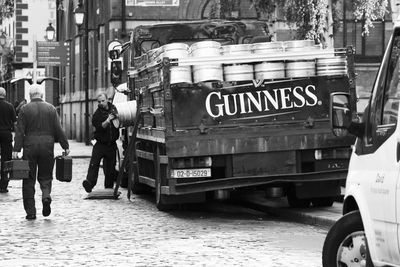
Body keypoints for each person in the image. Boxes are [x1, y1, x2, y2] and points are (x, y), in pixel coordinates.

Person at [12, 85, 69, 220]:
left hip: (30, 146)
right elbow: (58, 129)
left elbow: (20, 131)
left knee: (28, 179)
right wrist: (65, 145)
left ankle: (31, 212)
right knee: (46, 176)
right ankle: (46, 196)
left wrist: (16, 149)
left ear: (30, 95)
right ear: (41, 95)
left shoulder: (24, 109)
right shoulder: (51, 108)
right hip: (47, 146)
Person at [82, 92, 119, 193]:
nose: (101, 103)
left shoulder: (114, 109)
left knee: (110, 168)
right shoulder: (96, 115)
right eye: (99, 102)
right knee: (94, 164)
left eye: (103, 101)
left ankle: (109, 188)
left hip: (111, 144)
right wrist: (108, 120)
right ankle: (89, 183)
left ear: (107, 100)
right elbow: (100, 127)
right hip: (100, 144)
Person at [0, 87, 17, 193]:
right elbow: (15, 122)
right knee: (6, 160)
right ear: (4, 95)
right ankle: (3, 185)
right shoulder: (10, 106)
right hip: (6, 134)